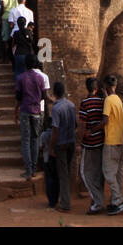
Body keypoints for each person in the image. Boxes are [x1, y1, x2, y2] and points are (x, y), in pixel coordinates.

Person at [78, 77, 108, 215]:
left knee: (85, 173)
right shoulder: (102, 102)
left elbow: (82, 125)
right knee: (97, 172)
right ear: (96, 88)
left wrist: (81, 138)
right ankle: (97, 199)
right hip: (101, 141)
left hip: (89, 143)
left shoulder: (85, 103)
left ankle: (98, 202)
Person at [14, 55, 47, 179]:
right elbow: (43, 95)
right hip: (36, 111)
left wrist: (16, 110)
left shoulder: (21, 78)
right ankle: (33, 168)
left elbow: (18, 96)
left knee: (26, 140)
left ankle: (28, 169)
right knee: (34, 139)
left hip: (25, 110)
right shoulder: (40, 78)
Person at [101, 75, 123, 215]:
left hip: (111, 140)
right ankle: (118, 199)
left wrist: (92, 129)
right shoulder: (117, 99)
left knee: (108, 173)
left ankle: (118, 200)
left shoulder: (108, 100)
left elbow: (105, 120)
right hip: (120, 140)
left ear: (106, 86)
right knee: (118, 173)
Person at [49, 82, 77, 212]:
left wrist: (51, 147)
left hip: (61, 143)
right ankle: (66, 199)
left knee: (63, 174)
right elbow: (75, 124)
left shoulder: (56, 109)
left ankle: (65, 203)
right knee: (67, 172)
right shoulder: (71, 105)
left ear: (54, 93)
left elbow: (55, 130)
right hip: (71, 141)